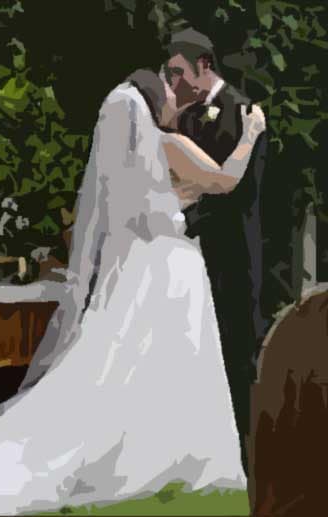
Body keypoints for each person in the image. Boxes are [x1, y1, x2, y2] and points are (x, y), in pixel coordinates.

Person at [0, 69, 265, 515]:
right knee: (172, 361)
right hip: (171, 266)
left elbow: (153, 203)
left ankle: (143, 451)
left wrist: (181, 198)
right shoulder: (167, 144)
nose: (174, 94)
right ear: (152, 104)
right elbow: (225, 180)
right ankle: (168, 452)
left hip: (133, 267)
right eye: (167, 90)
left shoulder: (124, 163)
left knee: (132, 360)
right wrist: (251, 132)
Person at [165, 28, 269, 472]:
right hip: (191, 254)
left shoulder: (244, 111)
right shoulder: (185, 118)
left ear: (203, 65)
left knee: (239, 348)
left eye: (178, 72)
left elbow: (241, 193)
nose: (174, 81)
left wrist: (187, 215)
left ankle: (252, 450)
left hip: (234, 254)